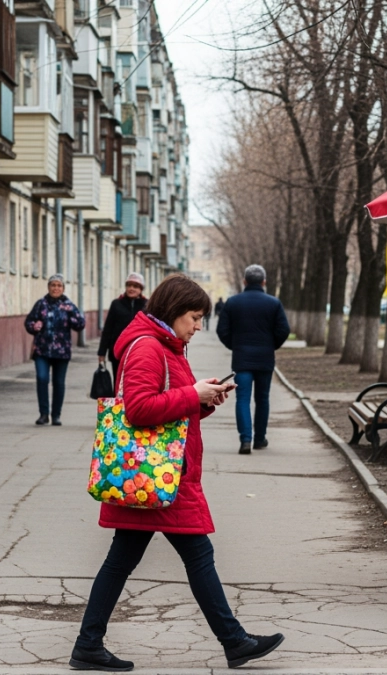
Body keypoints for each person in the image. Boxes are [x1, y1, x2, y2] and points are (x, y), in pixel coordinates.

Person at [71, 274, 284, 672]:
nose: (200, 325)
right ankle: (234, 641)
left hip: (159, 474)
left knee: (124, 561)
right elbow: (137, 409)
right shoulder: (148, 348)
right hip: (159, 473)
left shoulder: (168, 345)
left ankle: (88, 644)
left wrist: (203, 399)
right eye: (195, 317)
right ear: (173, 312)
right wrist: (192, 395)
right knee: (197, 554)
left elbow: (168, 406)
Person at [216, 265, 290, 455]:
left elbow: (222, 330)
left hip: (242, 359)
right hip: (265, 358)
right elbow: (283, 330)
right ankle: (259, 439)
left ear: (245, 281)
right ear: (264, 282)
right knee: (262, 399)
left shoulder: (233, 302)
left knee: (242, 399)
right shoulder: (273, 303)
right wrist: (270, 345)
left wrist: (235, 346)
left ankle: (245, 440)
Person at [25, 274, 86, 426]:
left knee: (59, 383)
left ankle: (56, 415)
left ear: (63, 288)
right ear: (48, 287)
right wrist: (34, 326)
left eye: (59, 285)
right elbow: (29, 321)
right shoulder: (41, 304)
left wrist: (71, 315)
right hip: (42, 350)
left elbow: (80, 324)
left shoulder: (68, 305)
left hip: (61, 352)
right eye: (53, 285)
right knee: (42, 378)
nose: (56, 288)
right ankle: (43, 414)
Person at [97, 272, 148, 381]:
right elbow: (108, 330)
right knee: (118, 384)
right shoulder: (116, 304)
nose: (131, 288)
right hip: (117, 353)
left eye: (135, 286)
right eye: (129, 285)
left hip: (139, 353)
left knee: (136, 384)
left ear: (141, 289)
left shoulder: (147, 305)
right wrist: (102, 353)